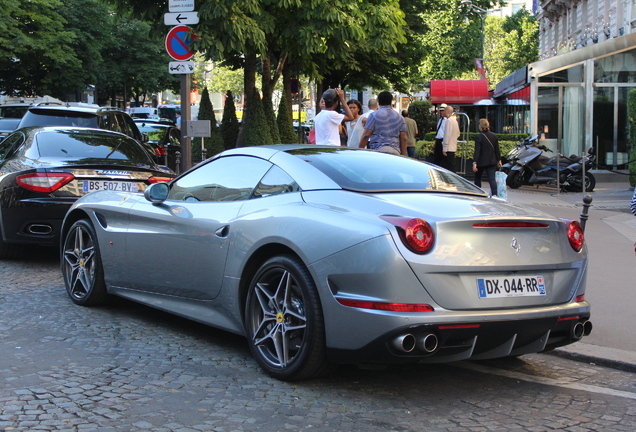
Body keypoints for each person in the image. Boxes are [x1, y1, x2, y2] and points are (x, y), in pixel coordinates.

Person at [358, 91, 407, 155]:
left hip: (378, 150)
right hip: (395, 150)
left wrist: (359, 151)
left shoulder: (373, 115)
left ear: (378, 101)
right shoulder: (400, 117)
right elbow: (403, 139)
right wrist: (403, 156)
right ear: (391, 101)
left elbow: (366, 135)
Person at [473, 118, 502, 196]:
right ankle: (495, 195)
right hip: (492, 161)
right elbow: (497, 149)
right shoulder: (494, 136)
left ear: (481, 126)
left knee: (478, 178)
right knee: (491, 179)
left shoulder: (479, 137)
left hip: (481, 161)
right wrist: (499, 160)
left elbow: (477, 151)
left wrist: (475, 162)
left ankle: (478, 193)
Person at [442, 105, 460, 172]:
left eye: (444, 111)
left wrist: (444, 148)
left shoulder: (448, 121)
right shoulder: (454, 120)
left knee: (449, 166)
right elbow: (458, 133)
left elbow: (447, 135)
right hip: (453, 146)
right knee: (452, 165)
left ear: (446, 111)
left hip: (449, 148)